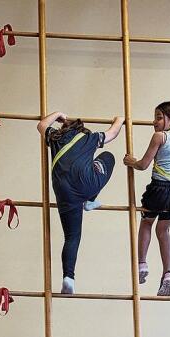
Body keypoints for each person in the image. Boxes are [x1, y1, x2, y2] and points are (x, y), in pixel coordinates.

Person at [37, 111, 125, 295]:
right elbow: (112, 133)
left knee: (72, 236)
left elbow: (41, 125)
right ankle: (91, 200)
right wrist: (120, 119)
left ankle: (68, 278)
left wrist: (58, 114)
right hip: (87, 184)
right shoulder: (90, 137)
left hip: (63, 191)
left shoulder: (55, 137)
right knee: (108, 157)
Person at [123, 101, 170, 296]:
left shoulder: (160, 137)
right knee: (163, 230)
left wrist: (130, 161)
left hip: (160, 190)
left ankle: (142, 263)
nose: (154, 122)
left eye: (158, 117)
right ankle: (168, 273)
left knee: (147, 223)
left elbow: (143, 165)